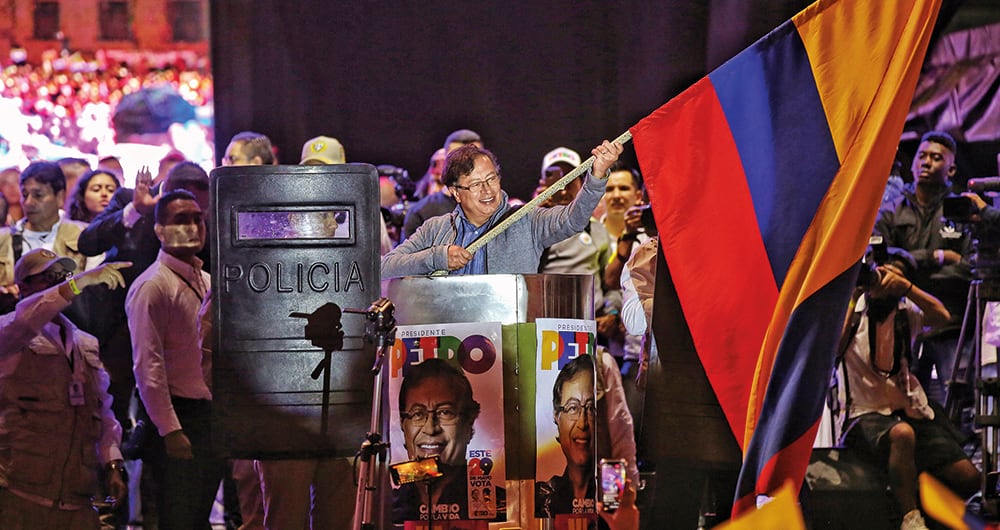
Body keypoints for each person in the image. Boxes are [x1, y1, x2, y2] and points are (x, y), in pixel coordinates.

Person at [840, 256, 980, 530]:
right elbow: (832, 349)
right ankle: (910, 519)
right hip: (863, 413)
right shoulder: (855, 313)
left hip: (910, 410)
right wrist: (856, 290)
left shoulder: (905, 313)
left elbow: (942, 316)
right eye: (881, 275)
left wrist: (907, 289)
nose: (884, 283)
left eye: (894, 278)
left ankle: (923, 504)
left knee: (969, 478)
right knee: (903, 435)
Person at [0, 248, 131, 530]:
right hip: (17, 496)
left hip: (75, 500)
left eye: (62, 276)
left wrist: (112, 464)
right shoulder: (8, 333)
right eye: (47, 277)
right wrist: (76, 284)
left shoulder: (85, 344)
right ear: (24, 286)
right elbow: (27, 318)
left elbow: (102, 411)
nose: (58, 282)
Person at [126, 190, 225, 530]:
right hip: (177, 415)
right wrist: (170, 429)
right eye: (180, 220)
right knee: (178, 516)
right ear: (159, 230)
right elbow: (147, 365)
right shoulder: (153, 286)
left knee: (198, 516)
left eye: (197, 218)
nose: (193, 226)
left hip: (207, 414)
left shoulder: (207, 279)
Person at [382, 139, 623, 277]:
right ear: (455, 192)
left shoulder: (526, 220)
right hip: (449, 345)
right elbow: (385, 267)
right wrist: (436, 257)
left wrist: (598, 176)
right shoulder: (434, 229)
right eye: (475, 184)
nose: (487, 191)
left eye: (492, 179)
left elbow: (573, 220)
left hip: (510, 343)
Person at [873, 131, 988, 407]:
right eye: (921, 156)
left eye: (936, 158)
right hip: (902, 327)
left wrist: (908, 269)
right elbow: (878, 260)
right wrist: (936, 256)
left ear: (951, 168)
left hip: (953, 327)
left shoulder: (962, 210)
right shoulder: (891, 208)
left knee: (959, 405)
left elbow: (972, 268)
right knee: (902, 405)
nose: (926, 162)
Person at [393, 358, 505, 523]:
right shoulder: (385, 508)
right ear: (403, 425)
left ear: (468, 423)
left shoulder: (498, 507)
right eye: (418, 414)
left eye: (445, 412)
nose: (431, 429)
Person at [536, 353, 638, 528]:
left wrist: (625, 497)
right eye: (572, 408)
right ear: (556, 417)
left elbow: (621, 432)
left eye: (591, 408)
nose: (583, 423)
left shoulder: (602, 362)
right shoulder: (543, 496)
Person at [401, 129, 484, 241]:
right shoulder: (421, 211)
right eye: (457, 156)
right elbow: (406, 257)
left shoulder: (496, 206)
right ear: (445, 159)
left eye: (474, 157)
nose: (466, 164)